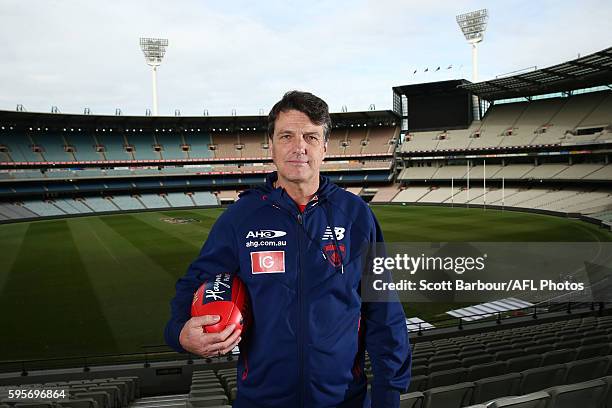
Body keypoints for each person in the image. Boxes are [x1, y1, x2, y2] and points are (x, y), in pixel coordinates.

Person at [164, 90, 411, 408]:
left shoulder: (356, 215)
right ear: (271, 145)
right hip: (261, 401)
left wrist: (388, 394)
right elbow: (193, 284)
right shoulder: (241, 217)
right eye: (287, 136)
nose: (299, 147)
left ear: (324, 146)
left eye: (310, 136)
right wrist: (180, 332)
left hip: (345, 401)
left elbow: (384, 310)